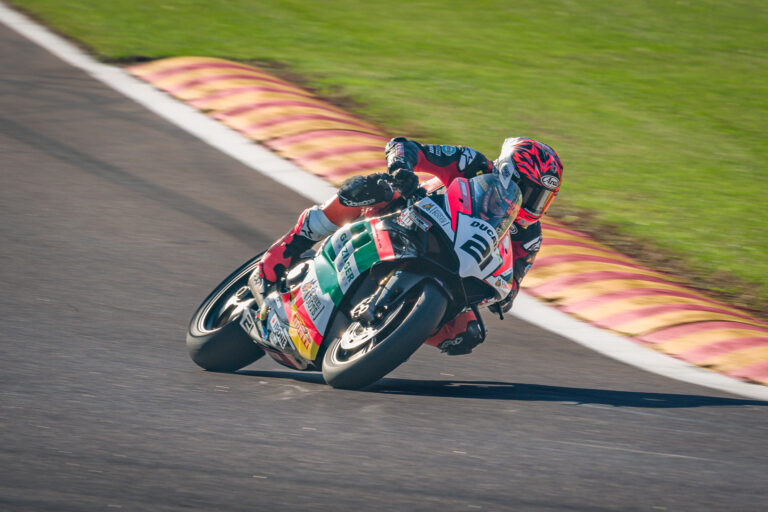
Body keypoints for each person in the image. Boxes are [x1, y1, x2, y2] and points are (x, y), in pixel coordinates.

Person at [256, 136, 563, 355]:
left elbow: (514, 279)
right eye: (531, 192)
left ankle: (390, 334)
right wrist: (402, 168)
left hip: (456, 265)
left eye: (544, 199)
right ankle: (291, 245)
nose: (535, 204)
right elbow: (404, 146)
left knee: (466, 334)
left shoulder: (529, 235)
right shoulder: (472, 164)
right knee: (370, 188)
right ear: (508, 171)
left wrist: (502, 297)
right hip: (409, 218)